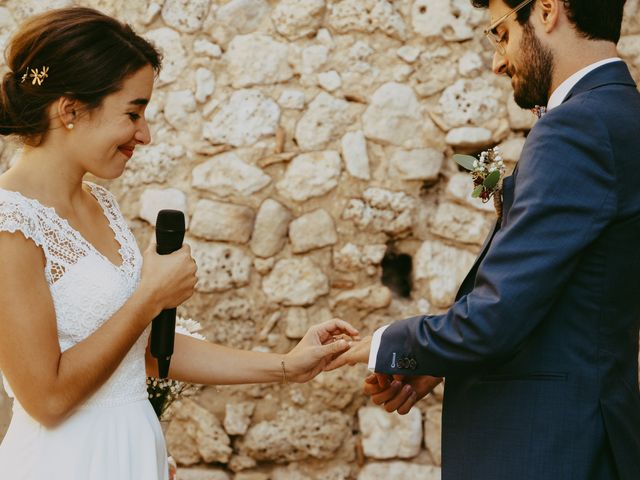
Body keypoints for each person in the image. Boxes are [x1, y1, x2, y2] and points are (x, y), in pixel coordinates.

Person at [0, 7, 358, 480]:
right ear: (69, 110)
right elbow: (46, 399)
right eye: (133, 113)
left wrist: (289, 365)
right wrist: (151, 296)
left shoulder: (100, 205)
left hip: (131, 452)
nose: (144, 135)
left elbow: (145, 352)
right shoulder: (10, 224)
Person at [328, 0, 640, 478]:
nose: (497, 59)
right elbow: (573, 300)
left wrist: (384, 343)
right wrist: (442, 360)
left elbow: (497, 314)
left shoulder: (576, 127)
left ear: (548, 10)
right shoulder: (621, 114)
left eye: (501, 33)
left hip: (547, 449)